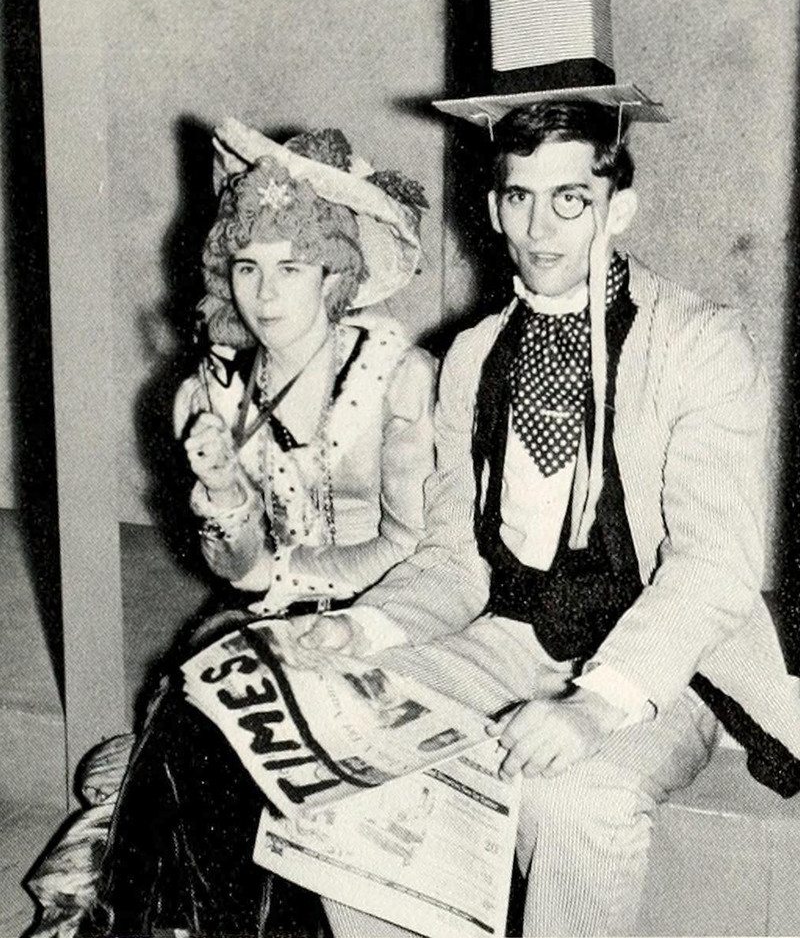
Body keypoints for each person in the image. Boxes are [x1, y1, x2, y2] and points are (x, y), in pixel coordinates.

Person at [297, 99, 800, 937]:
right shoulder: (471, 358)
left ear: (619, 207)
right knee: (339, 729)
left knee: (568, 799)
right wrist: (367, 627)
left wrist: (596, 705)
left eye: (571, 198)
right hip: (512, 636)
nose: (541, 227)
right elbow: (453, 559)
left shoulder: (702, 344)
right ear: (495, 209)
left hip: (667, 664)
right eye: (520, 197)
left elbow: (714, 568)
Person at [25, 120, 436, 938]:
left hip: (385, 618)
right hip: (265, 616)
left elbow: (410, 546)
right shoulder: (212, 393)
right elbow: (240, 569)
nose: (265, 294)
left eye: (292, 269)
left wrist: (301, 593)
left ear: (335, 276)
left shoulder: (396, 377)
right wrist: (221, 490)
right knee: (195, 727)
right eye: (247, 267)